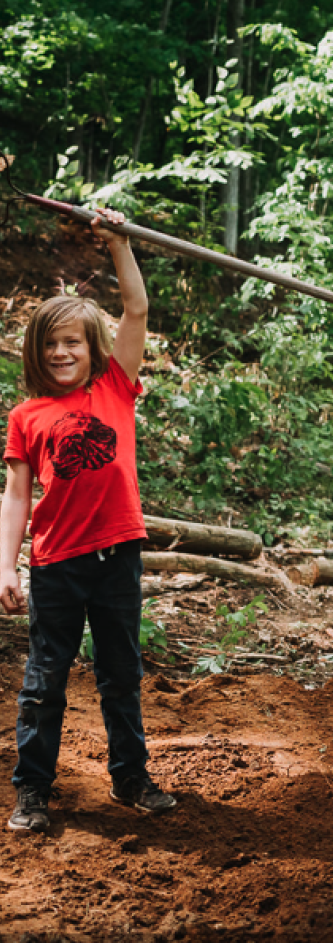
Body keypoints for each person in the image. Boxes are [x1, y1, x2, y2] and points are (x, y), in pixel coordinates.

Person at [1, 207, 176, 834]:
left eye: (72, 341)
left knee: (120, 674)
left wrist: (119, 243)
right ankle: (33, 791)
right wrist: (7, 566)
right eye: (50, 344)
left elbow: (136, 312)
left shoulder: (114, 386)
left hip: (117, 555)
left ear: (91, 347)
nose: (62, 351)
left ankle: (131, 777)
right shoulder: (27, 415)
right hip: (55, 565)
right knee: (45, 683)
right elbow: (17, 495)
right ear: (36, 354)